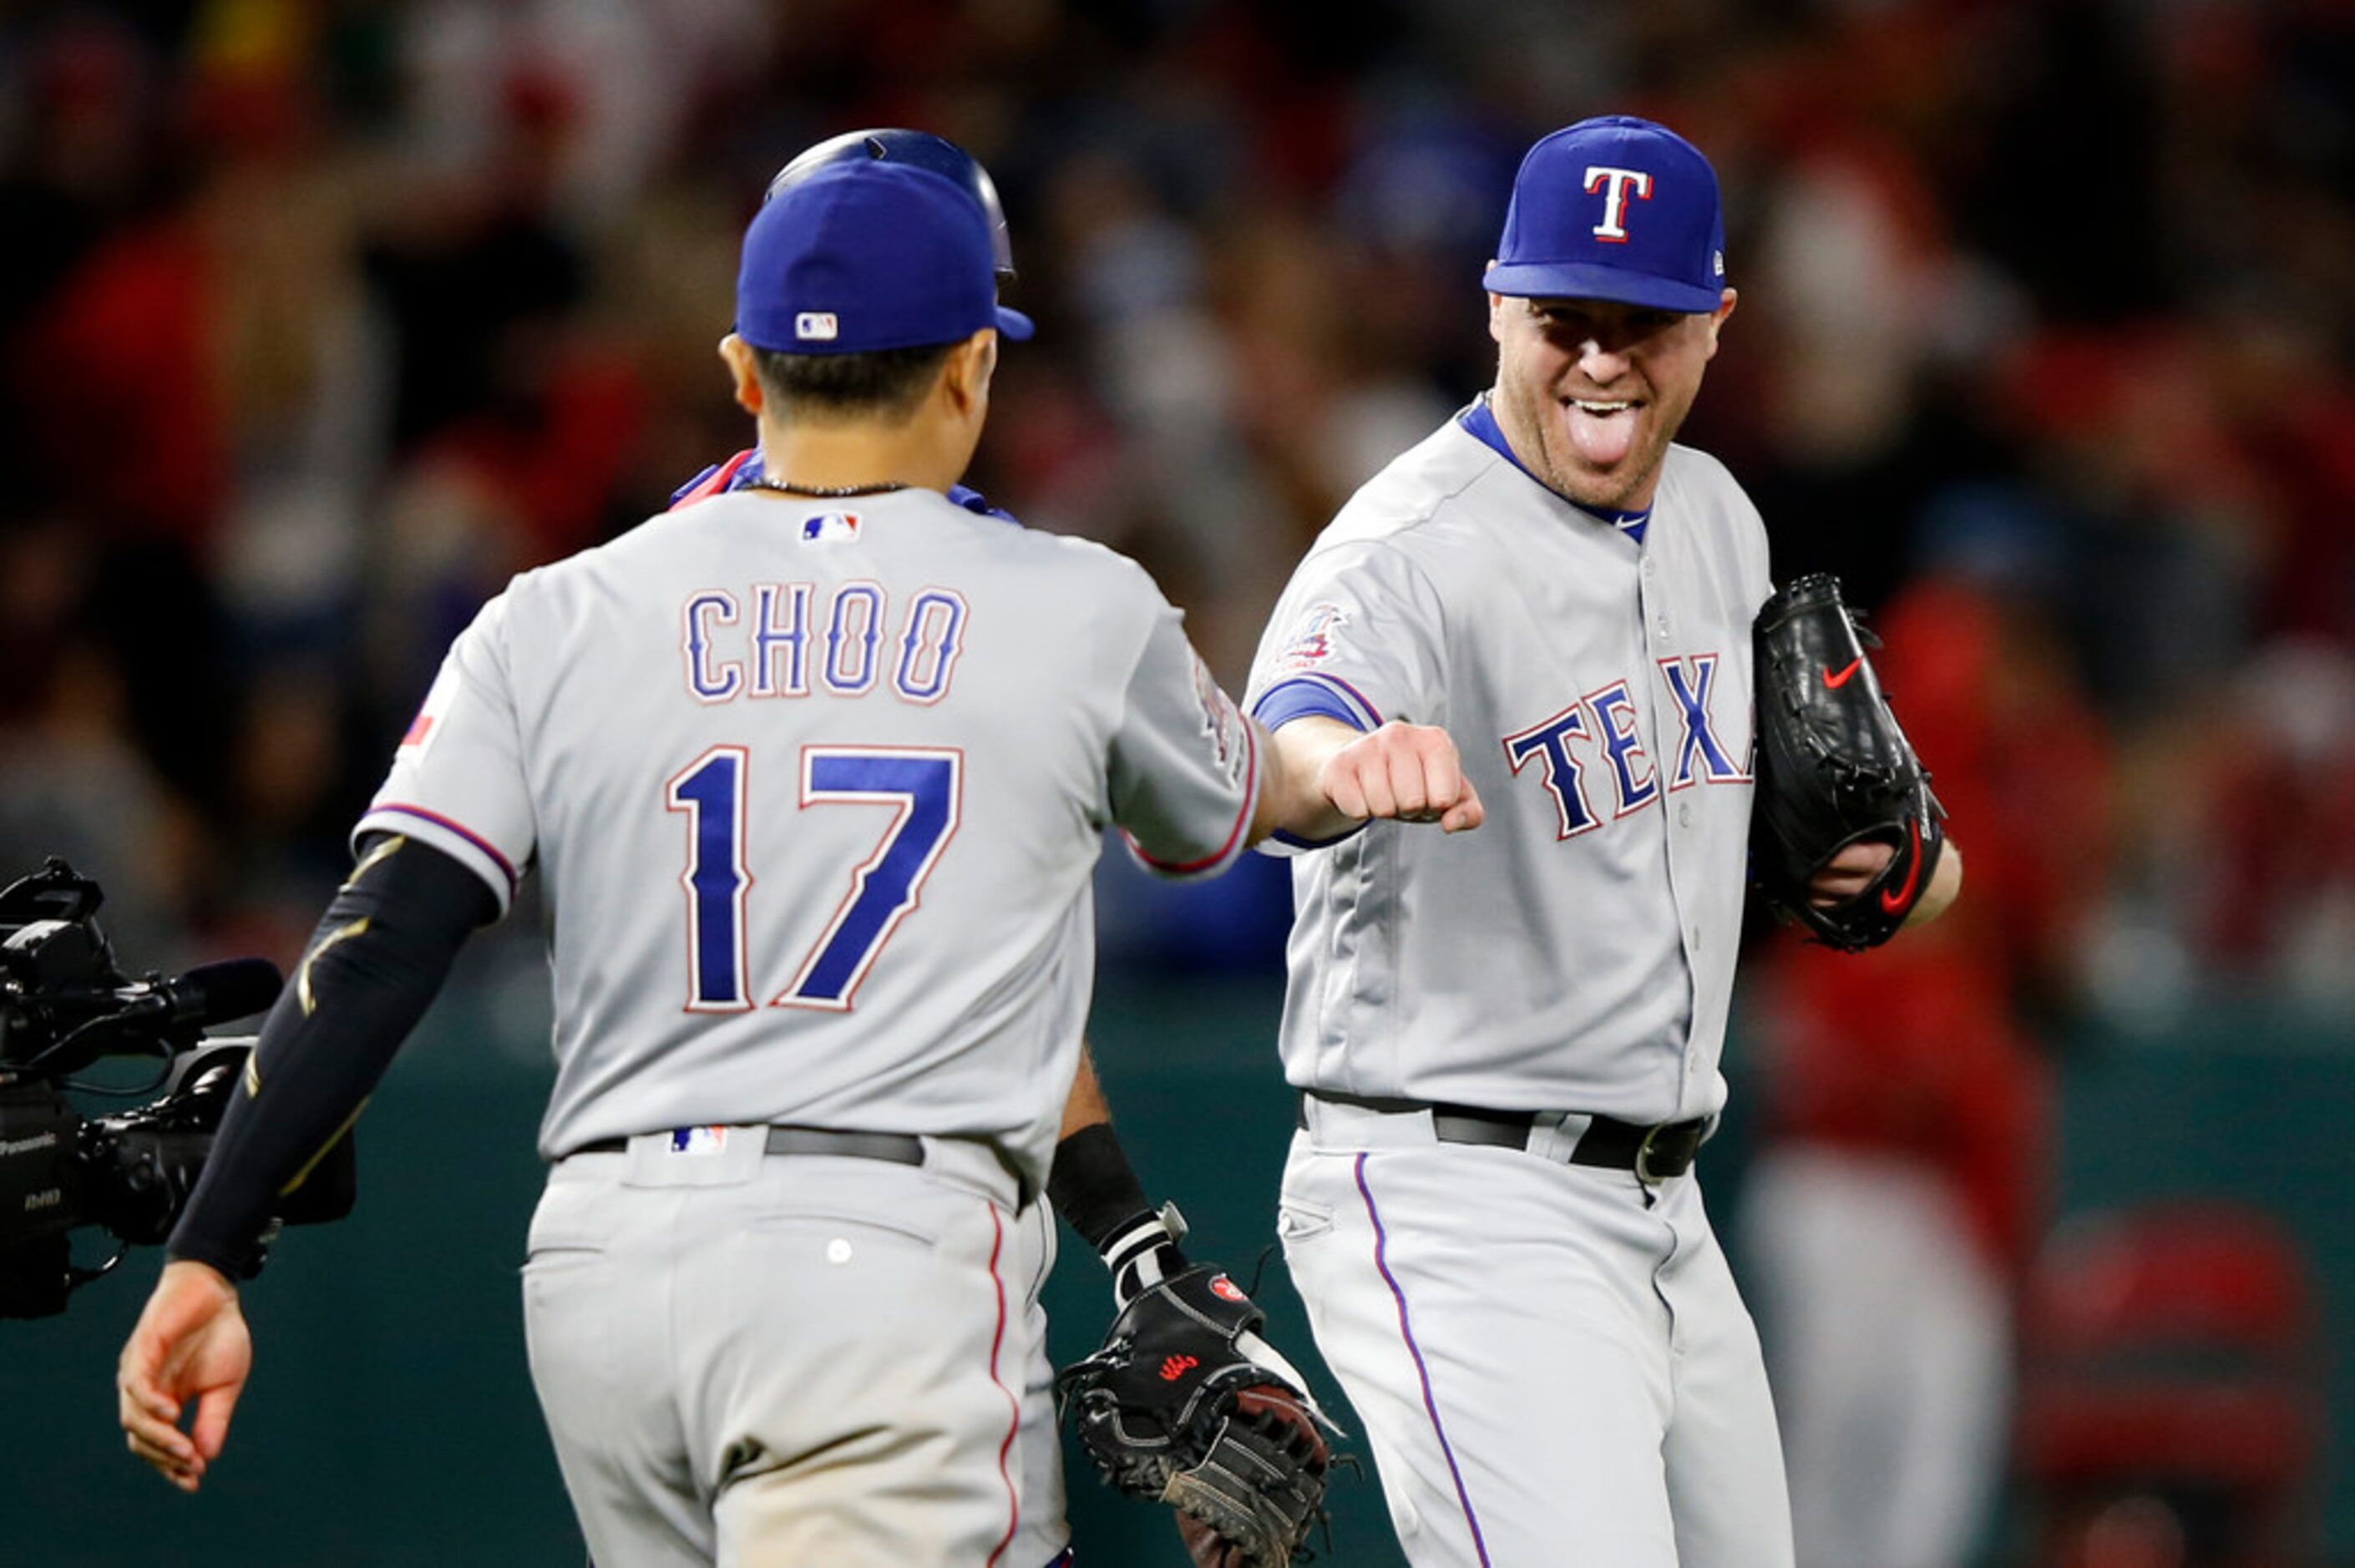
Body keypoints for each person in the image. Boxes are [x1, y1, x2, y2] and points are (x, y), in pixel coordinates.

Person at [114, 149, 1482, 1565]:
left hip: (600, 1274)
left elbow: (380, 935)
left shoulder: (551, 616)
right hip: (880, 1269)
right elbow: (1261, 792)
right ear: (970, 368)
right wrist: (1352, 763)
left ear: (742, 372)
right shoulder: (1076, 607)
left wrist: (211, 1244)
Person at [1239, 114, 1962, 1566]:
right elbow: (1277, 743)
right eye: (1564, 315)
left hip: (1666, 1206)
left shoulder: (1718, 519)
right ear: (1499, 304)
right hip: (1459, 1194)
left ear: (1715, 328)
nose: (1599, 358)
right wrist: (1341, 761)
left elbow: (1870, 844)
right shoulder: (1411, 547)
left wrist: (1889, 864)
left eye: (1645, 323)